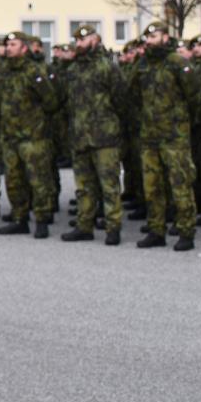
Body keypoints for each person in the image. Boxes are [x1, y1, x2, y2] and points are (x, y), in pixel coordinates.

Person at [129, 22, 199, 251]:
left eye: (155, 36)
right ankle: (156, 230)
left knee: (180, 184)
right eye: (147, 37)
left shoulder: (177, 63)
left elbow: (195, 95)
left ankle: (186, 230)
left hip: (174, 135)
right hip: (150, 135)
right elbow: (132, 95)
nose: (150, 41)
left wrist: (182, 121)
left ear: (166, 38)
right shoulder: (142, 65)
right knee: (152, 186)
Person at [59, 25, 125, 245]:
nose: (78, 44)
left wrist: (112, 126)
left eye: (83, 39)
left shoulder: (107, 67)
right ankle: (84, 225)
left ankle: (113, 226)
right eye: (76, 40)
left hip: (104, 136)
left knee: (109, 185)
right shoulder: (73, 69)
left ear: (95, 39)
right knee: (83, 186)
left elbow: (121, 100)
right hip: (80, 135)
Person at [0, 32, 59, 238]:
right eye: (7, 44)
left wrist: (36, 122)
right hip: (10, 135)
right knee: (13, 179)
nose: (9, 48)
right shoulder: (3, 72)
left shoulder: (34, 71)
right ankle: (20, 218)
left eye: (13, 44)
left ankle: (41, 219)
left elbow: (50, 101)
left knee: (38, 180)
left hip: (32, 136)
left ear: (24, 48)